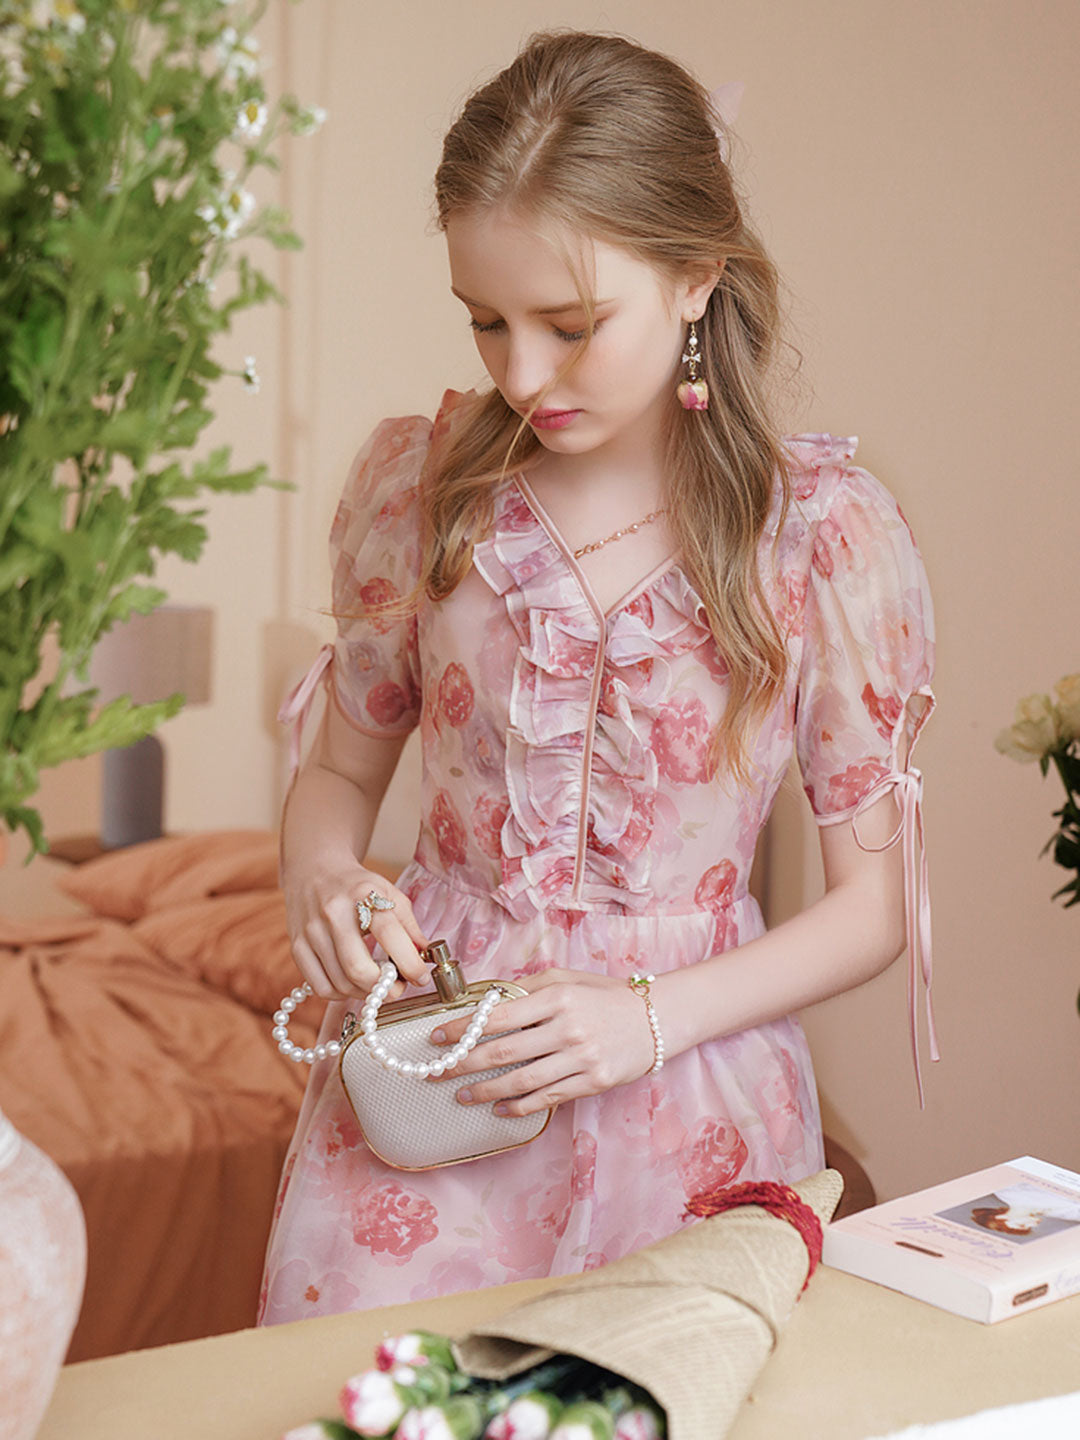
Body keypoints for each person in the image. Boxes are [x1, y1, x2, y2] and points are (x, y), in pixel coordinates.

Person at [258, 29, 936, 1325]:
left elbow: (872, 910)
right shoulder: (422, 493)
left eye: (570, 327)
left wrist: (645, 1019)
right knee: (368, 1395)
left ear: (695, 276)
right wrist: (325, 875)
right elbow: (338, 776)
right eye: (486, 320)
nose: (520, 374)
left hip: (692, 1095)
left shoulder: (819, 540)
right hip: (438, 1076)